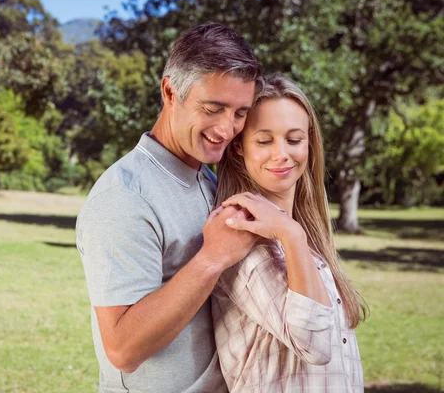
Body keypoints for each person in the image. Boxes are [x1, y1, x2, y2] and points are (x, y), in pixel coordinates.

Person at [76, 23, 262, 392]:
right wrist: (212, 258)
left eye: (241, 113)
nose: (227, 129)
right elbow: (123, 348)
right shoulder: (124, 196)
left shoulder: (208, 180)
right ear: (169, 91)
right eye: (213, 108)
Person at [212, 74, 368, 392]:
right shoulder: (239, 235)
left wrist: (293, 233)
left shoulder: (302, 234)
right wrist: (291, 234)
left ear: (310, 143)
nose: (281, 154)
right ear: (239, 147)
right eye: (264, 140)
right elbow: (315, 344)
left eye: (294, 140)